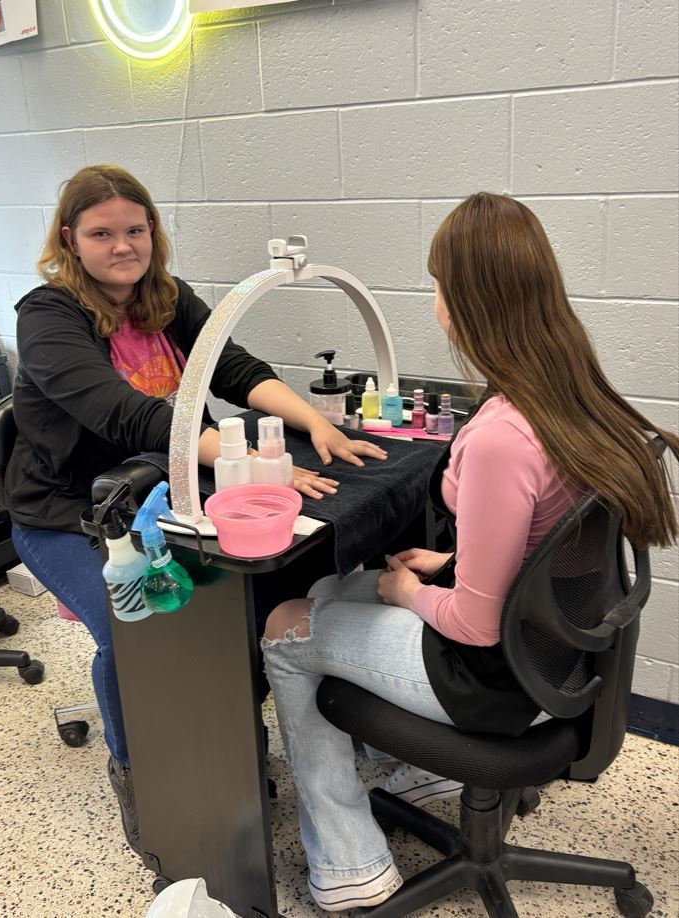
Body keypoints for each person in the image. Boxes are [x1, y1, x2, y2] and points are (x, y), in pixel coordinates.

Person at [261, 192, 679, 911]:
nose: (433, 302)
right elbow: (536, 547)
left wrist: (410, 594)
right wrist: (450, 569)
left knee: (284, 628)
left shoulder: (499, 438)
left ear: (465, 300)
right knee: (328, 597)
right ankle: (425, 776)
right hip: (552, 658)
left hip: (491, 674)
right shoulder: (577, 395)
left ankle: (350, 863)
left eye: (436, 284)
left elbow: (476, 625)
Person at [5, 164, 386, 856]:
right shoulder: (47, 315)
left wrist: (317, 424)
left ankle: (225, 741)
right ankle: (139, 770)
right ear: (69, 238)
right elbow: (122, 413)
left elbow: (233, 369)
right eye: (101, 233)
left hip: (173, 492)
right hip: (68, 515)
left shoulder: (167, 299)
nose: (123, 246)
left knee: (232, 606)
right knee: (135, 629)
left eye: (135, 228)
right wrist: (247, 465)